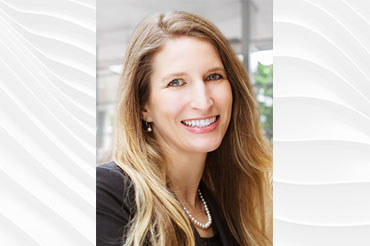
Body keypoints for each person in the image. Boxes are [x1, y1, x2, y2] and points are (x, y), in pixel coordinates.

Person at [97, 11, 272, 246]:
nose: (203, 101)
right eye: (176, 82)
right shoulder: (106, 195)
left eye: (213, 77)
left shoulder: (226, 201)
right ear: (143, 106)